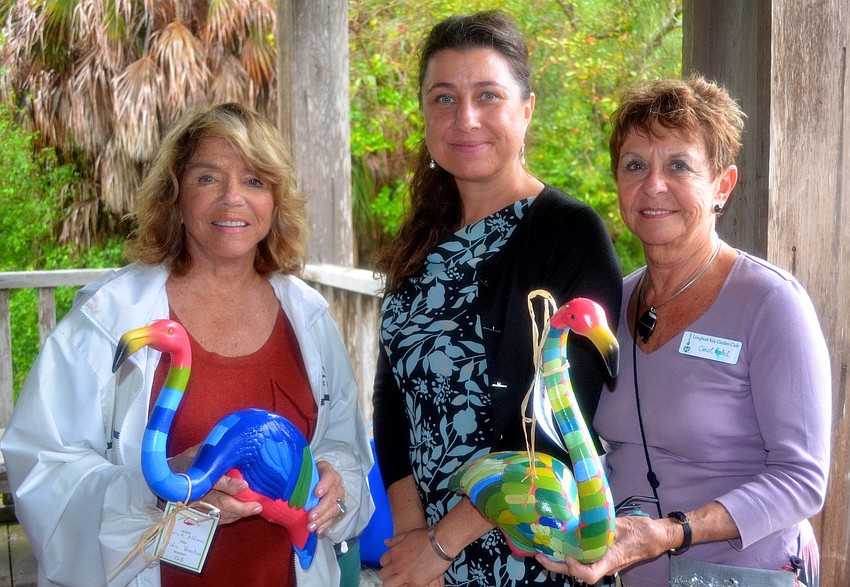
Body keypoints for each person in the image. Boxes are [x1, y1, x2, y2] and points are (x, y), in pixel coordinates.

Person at [0, 102, 375, 586]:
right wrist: (158, 486)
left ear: (276, 202)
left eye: (256, 181)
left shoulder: (308, 317)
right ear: (174, 197)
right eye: (207, 179)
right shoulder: (109, 318)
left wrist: (334, 488)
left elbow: (342, 447)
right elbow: (42, 469)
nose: (232, 199)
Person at [536, 75, 831, 586]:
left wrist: (672, 532)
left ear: (722, 184)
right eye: (635, 166)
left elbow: (803, 480)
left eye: (678, 165)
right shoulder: (611, 304)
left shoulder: (770, 303)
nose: (653, 185)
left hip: (746, 574)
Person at [371, 11, 622, 587]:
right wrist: (412, 543)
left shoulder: (569, 232)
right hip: (428, 558)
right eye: (443, 98)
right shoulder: (420, 240)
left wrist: (443, 542)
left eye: (488, 95)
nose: (466, 119)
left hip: (533, 552)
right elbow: (394, 401)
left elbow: (561, 411)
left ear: (526, 109)